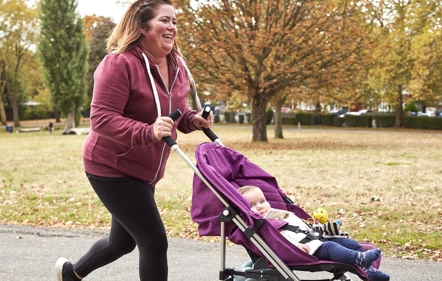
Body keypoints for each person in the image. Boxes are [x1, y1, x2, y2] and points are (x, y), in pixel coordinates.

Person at [54, 1, 212, 281]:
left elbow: (175, 110)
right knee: (154, 241)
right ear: (142, 26)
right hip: (111, 167)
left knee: (122, 243)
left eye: (175, 22)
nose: (172, 28)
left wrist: (192, 120)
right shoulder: (119, 63)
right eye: (165, 20)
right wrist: (148, 132)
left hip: (145, 170)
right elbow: (101, 118)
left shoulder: (177, 64)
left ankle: (71, 274)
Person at [238, 185, 390, 281]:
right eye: (252, 206)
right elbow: (279, 241)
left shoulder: (277, 214)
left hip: (316, 238)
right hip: (304, 249)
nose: (260, 207)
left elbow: (301, 226)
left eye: (262, 201)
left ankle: (369, 271)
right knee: (331, 248)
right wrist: (296, 247)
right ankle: (359, 259)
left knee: (347, 243)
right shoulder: (264, 225)